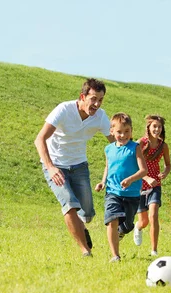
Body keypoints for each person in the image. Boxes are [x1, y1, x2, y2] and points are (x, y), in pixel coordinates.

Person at [34, 78, 114, 257]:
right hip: (55, 165)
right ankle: (85, 250)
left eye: (100, 100)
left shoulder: (100, 116)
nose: (96, 104)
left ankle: (81, 227)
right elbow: (40, 139)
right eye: (93, 99)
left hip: (79, 166)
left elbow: (117, 143)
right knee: (69, 204)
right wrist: (51, 167)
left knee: (87, 213)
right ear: (82, 96)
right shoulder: (64, 109)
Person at [94, 113, 147, 262]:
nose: (123, 135)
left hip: (132, 194)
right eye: (119, 132)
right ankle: (115, 256)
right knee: (112, 219)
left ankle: (123, 231)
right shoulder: (108, 149)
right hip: (112, 192)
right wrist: (103, 182)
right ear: (112, 131)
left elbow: (144, 171)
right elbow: (108, 166)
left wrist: (130, 179)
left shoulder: (135, 148)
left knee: (128, 225)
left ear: (131, 131)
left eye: (127, 131)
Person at [133, 115, 171, 256]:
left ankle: (154, 250)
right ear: (148, 127)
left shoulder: (163, 146)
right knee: (143, 222)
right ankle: (137, 227)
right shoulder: (140, 143)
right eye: (154, 126)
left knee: (153, 215)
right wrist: (146, 177)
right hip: (139, 185)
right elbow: (134, 165)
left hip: (155, 185)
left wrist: (165, 172)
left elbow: (168, 165)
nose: (157, 129)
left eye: (159, 127)